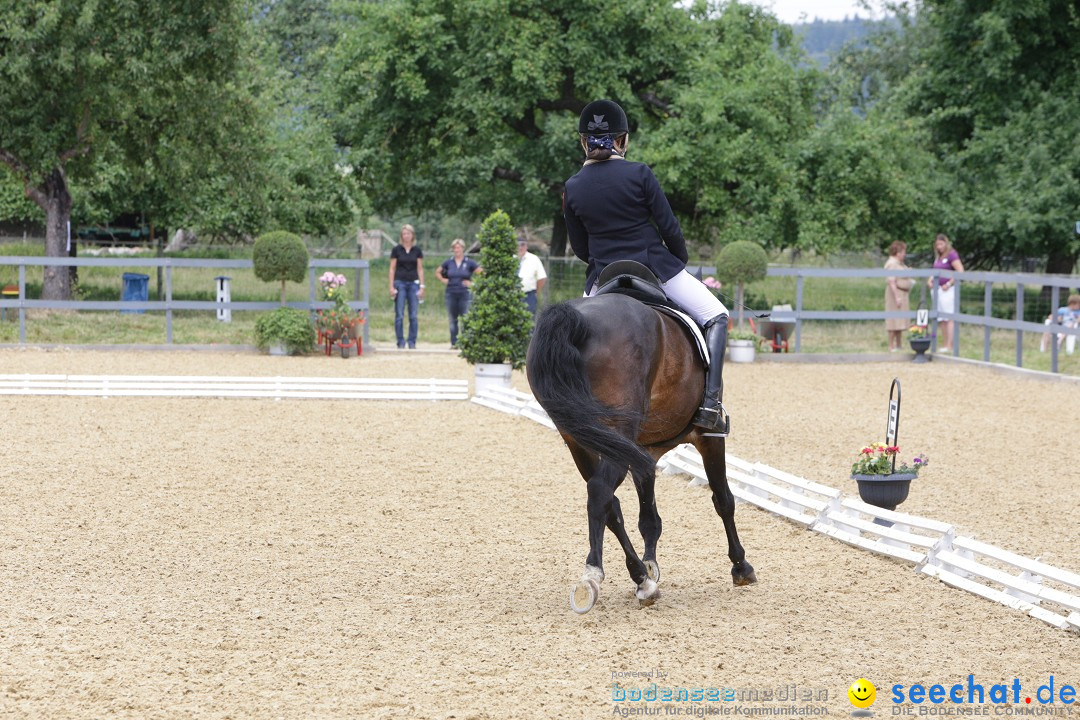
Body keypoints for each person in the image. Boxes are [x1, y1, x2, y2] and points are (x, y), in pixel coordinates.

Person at [563, 99, 731, 434]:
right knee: (717, 315)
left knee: (574, 333)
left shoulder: (572, 187)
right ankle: (710, 404)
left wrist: (601, 264)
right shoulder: (639, 173)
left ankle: (574, 404)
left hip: (602, 276)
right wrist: (676, 262)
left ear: (584, 141)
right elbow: (669, 228)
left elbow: (581, 248)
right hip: (653, 267)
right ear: (621, 141)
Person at [437, 238, 481, 348]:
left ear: (463, 248)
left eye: (459, 247)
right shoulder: (449, 262)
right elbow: (437, 272)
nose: (457, 250)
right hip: (451, 292)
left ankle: (465, 343)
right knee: (453, 319)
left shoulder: (469, 262)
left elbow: (482, 273)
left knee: (465, 318)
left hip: (464, 293)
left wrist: (473, 284)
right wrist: (443, 280)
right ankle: (454, 343)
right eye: (455, 248)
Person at [389, 223, 425, 349]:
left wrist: (422, 286)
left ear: (412, 235)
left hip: (413, 283)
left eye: (408, 233)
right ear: (401, 236)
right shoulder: (396, 250)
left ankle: (412, 341)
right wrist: (391, 286)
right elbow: (392, 269)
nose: (406, 236)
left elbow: (420, 269)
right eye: (404, 234)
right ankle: (400, 341)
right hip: (400, 282)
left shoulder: (417, 250)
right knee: (399, 313)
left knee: (413, 315)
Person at [928, 233, 964, 353]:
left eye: (941, 244)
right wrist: (930, 280)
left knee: (949, 317)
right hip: (937, 290)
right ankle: (945, 343)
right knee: (941, 318)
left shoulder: (951, 255)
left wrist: (949, 283)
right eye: (937, 244)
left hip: (947, 290)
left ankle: (950, 345)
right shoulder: (938, 257)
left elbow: (960, 271)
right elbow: (934, 271)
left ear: (946, 243)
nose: (939, 247)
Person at [884, 240, 914, 351]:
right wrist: (897, 296)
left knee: (900, 320)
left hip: (902, 292)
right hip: (895, 293)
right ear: (898, 252)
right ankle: (891, 346)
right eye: (903, 252)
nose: (904, 254)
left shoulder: (899, 264)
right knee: (893, 320)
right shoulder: (892, 264)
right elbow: (892, 281)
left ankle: (899, 345)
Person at [517, 238, 547, 319]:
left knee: (529, 321)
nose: (520, 247)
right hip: (513, 296)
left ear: (526, 246)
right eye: (517, 245)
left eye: (522, 245)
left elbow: (542, 278)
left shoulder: (534, 259)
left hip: (529, 295)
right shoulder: (510, 258)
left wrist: (536, 292)